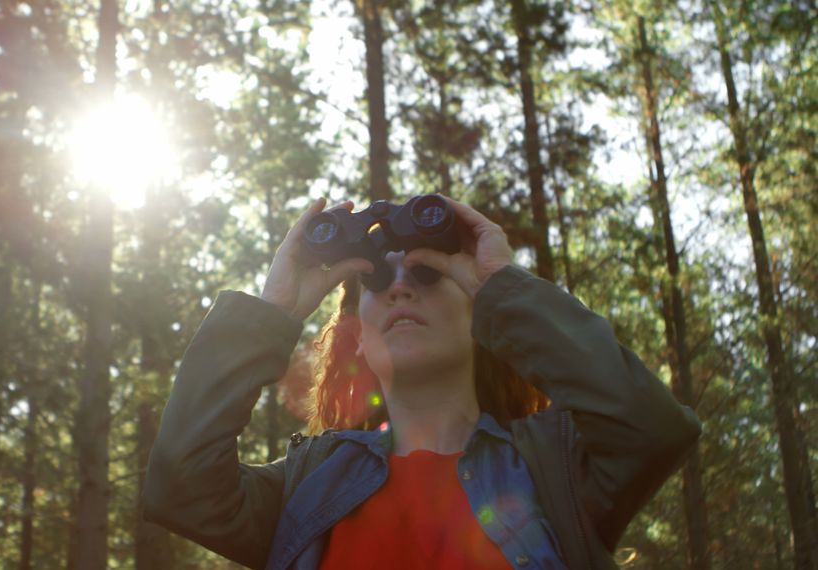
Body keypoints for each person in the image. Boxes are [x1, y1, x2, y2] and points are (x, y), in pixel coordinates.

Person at [143, 196, 701, 569]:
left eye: (429, 273)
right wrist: (275, 311)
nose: (400, 288)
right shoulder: (308, 484)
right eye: (377, 279)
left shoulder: (552, 466)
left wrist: (500, 285)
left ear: (483, 320)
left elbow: (651, 428)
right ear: (358, 339)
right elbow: (181, 488)